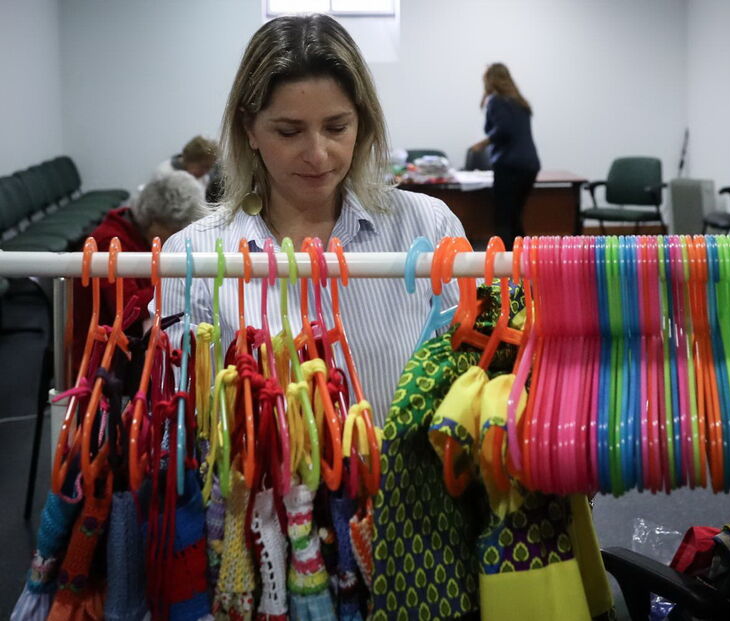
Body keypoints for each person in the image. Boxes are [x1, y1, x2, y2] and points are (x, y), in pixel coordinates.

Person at [155, 14, 465, 422]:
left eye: (337, 128)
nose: (317, 155)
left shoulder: (428, 228)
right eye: (288, 132)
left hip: (395, 487)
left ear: (362, 122)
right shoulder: (193, 255)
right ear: (249, 129)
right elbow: (178, 428)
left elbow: (465, 389)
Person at [73, 171, 207, 375]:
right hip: (99, 363)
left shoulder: (138, 232)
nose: (178, 237)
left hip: (125, 349)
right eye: (175, 230)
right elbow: (128, 304)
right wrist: (177, 282)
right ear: (154, 223)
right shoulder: (109, 242)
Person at [471, 63, 540, 250]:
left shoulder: (496, 101)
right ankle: (523, 262)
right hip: (529, 165)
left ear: (489, 80)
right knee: (515, 216)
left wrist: (483, 143)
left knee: (503, 218)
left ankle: (505, 267)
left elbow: (503, 130)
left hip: (509, 165)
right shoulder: (519, 101)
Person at [154, 135, 219, 193]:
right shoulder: (164, 174)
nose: (206, 172)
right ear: (188, 158)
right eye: (203, 166)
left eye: (210, 167)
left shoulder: (205, 177)